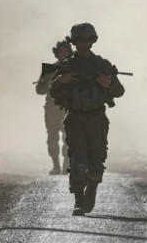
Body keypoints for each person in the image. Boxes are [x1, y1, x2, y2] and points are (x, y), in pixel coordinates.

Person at [49, 23, 125, 216]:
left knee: (96, 165)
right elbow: (51, 91)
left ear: (93, 41)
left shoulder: (102, 64)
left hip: (97, 117)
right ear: (74, 42)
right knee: (78, 160)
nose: (83, 43)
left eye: (87, 40)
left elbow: (119, 91)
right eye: (80, 40)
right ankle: (78, 199)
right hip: (75, 117)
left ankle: (91, 188)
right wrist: (60, 81)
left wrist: (107, 84)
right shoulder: (66, 65)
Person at [35, 40, 72, 175]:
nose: (63, 54)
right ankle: (56, 166)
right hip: (51, 109)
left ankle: (66, 165)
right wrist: (50, 82)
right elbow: (39, 90)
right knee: (52, 137)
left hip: (67, 108)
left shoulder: (74, 68)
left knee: (68, 138)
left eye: (66, 51)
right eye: (61, 52)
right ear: (56, 54)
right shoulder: (50, 70)